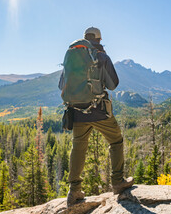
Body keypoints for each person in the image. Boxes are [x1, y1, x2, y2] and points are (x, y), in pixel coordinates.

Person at [59, 27, 134, 207]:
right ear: (99, 40)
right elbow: (113, 84)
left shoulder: (72, 56)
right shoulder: (101, 57)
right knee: (116, 141)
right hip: (99, 110)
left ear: (85, 39)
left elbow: (61, 84)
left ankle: (74, 190)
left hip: (76, 111)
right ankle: (117, 182)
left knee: (78, 148)